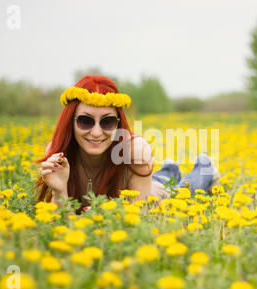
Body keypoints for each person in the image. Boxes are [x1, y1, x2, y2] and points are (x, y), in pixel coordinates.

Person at [35, 75, 220, 214]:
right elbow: (58, 225)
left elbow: (140, 218)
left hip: (153, 198)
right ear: (71, 122)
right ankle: (170, 169)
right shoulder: (58, 154)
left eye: (107, 122)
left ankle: (206, 167)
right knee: (160, 178)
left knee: (182, 193)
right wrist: (59, 192)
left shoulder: (135, 150)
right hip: (144, 180)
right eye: (85, 121)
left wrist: (111, 216)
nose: (97, 132)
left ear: (118, 123)